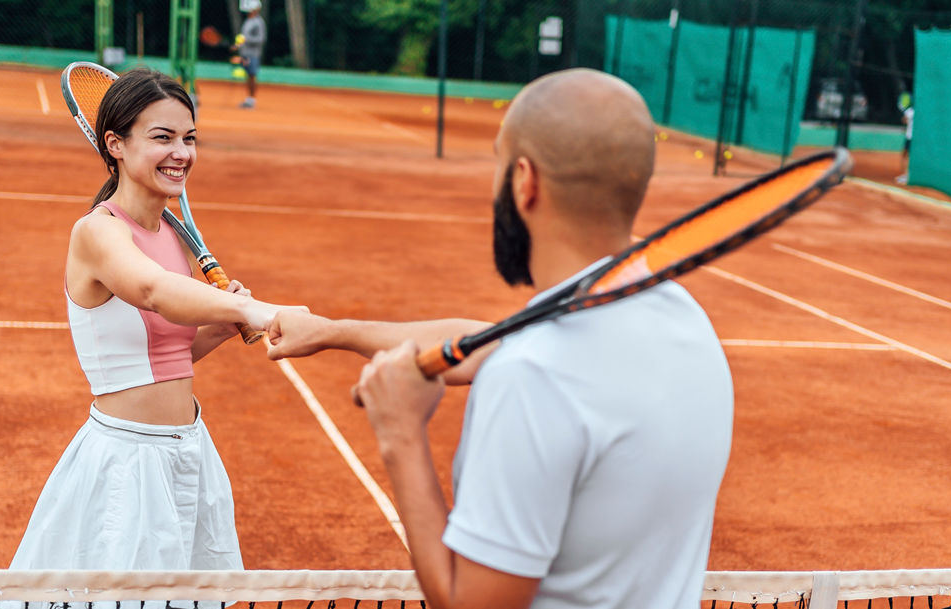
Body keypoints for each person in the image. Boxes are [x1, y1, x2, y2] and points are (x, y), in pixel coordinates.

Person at [265, 68, 735, 609]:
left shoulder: (532, 377)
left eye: (498, 162)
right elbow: (491, 341)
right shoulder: (680, 314)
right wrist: (335, 331)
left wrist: (401, 436)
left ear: (524, 181)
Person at [6, 68, 305, 575]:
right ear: (115, 144)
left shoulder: (170, 234)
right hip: (127, 460)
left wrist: (219, 326)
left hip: (189, 451)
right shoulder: (97, 232)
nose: (181, 152)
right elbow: (151, 291)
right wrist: (250, 310)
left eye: (189, 138)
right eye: (162, 137)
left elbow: (163, 355)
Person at [231, 1, 266, 109]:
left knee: (252, 76)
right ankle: (249, 99)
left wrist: (246, 40)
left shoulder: (259, 22)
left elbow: (261, 39)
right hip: (245, 53)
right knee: (248, 76)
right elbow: (243, 39)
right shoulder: (248, 21)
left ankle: (251, 100)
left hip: (253, 54)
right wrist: (238, 45)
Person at [896, 95, 914, 185]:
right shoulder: (912, 111)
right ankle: (906, 175)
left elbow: (904, 120)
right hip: (909, 137)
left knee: (907, 156)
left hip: (910, 138)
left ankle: (907, 176)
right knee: (905, 155)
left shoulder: (909, 112)